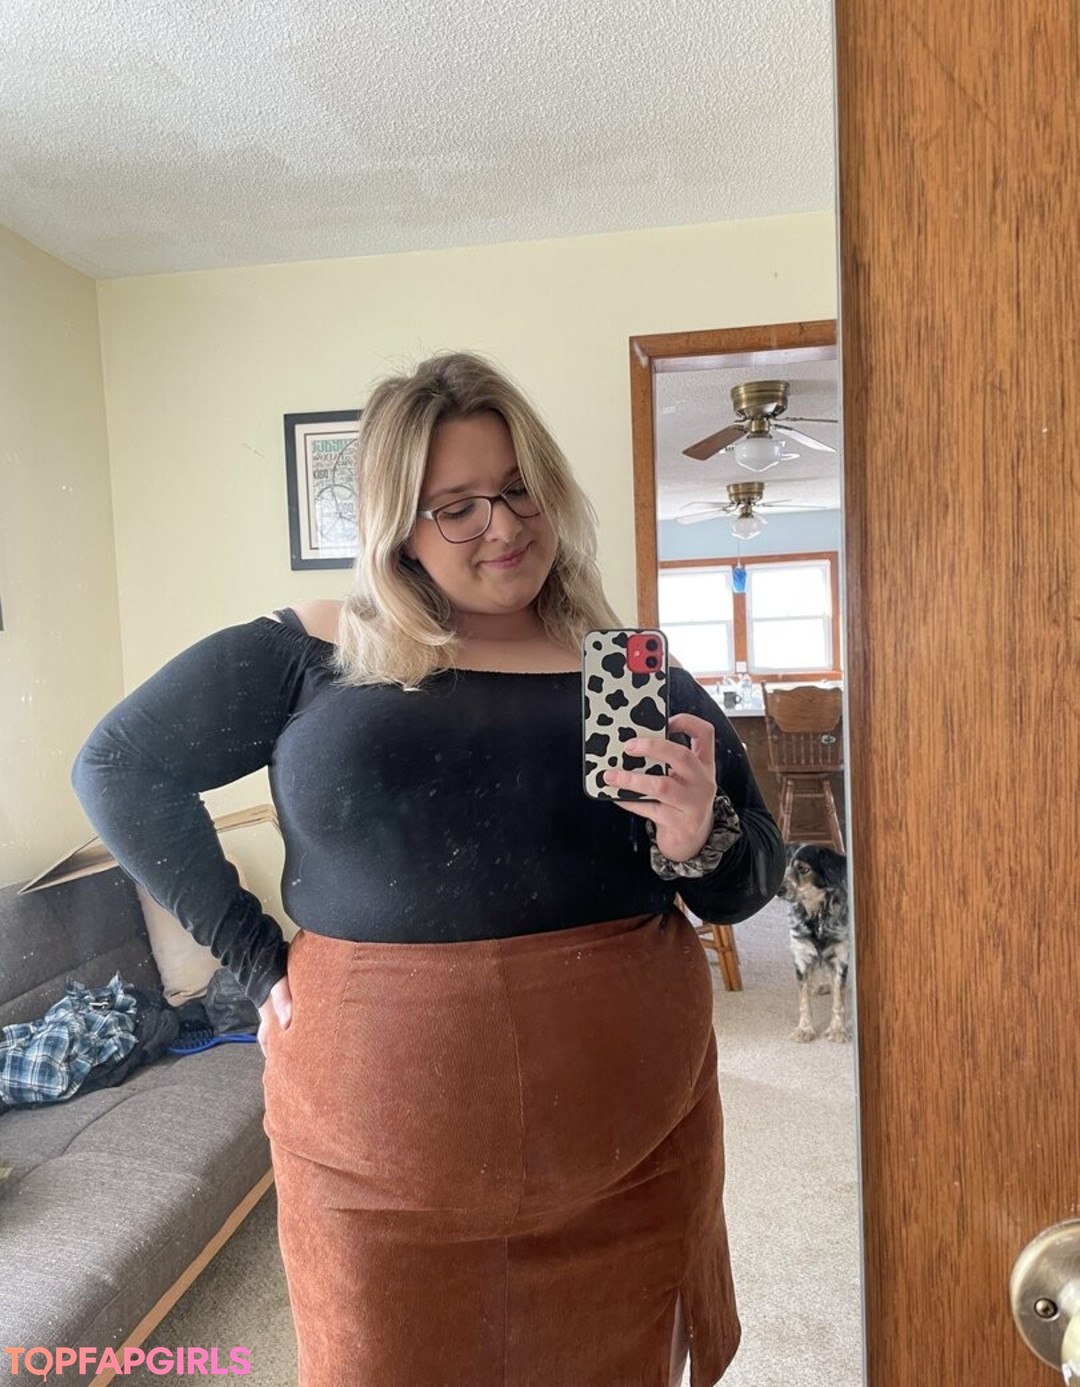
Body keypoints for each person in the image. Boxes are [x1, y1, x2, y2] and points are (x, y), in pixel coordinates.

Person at [71, 351, 784, 1387]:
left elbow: (751, 873)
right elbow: (118, 767)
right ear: (397, 526)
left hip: (633, 1162)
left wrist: (693, 836)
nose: (505, 525)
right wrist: (252, 956)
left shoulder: (625, 669)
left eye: (521, 488)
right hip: (374, 1180)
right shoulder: (312, 649)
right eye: (457, 507)